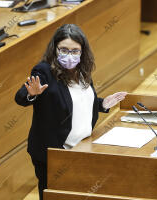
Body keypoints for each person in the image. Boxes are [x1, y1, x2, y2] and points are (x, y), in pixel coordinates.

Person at [14, 24, 127, 200]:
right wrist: (30, 94)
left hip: (81, 148)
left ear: (82, 52)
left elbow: (78, 101)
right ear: (55, 49)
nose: (70, 55)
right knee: (54, 196)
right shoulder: (44, 71)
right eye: (64, 49)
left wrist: (102, 103)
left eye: (75, 51)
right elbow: (21, 97)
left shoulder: (82, 71)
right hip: (54, 152)